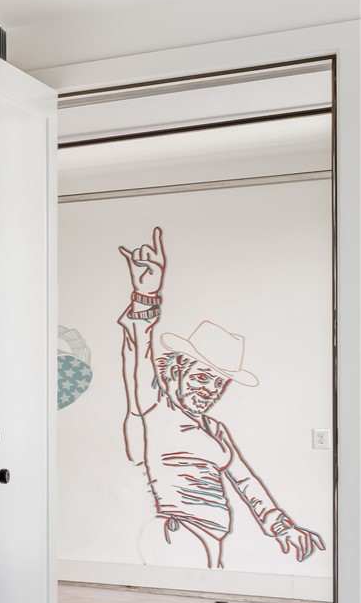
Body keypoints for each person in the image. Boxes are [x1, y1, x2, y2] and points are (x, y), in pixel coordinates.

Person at [115, 228, 325, 568]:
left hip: (210, 537)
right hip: (178, 534)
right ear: (175, 371)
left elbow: (246, 482)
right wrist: (146, 295)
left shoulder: (215, 429)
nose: (208, 390)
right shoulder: (153, 407)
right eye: (201, 377)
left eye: (218, 384)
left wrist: (283, 527)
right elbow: (137, 355)